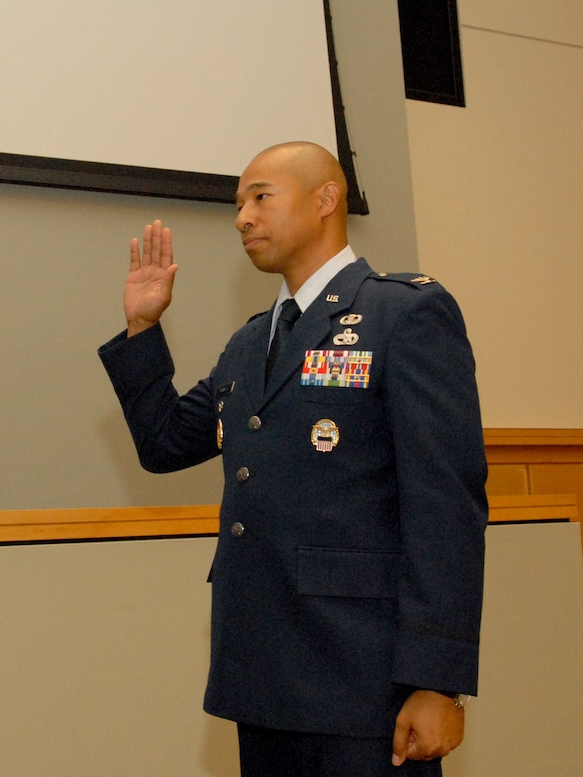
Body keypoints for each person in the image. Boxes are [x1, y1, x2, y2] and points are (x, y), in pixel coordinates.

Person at [98, 142, 486, 776]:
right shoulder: (252, 342)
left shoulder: (404, 313)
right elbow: (164, 443)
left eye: (261, 197)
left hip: (363, 683)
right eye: (239, 204)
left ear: (325, 199)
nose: (242, 217)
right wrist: (143, 329)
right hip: (265, 676)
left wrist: (438, 682)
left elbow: (445, 509)